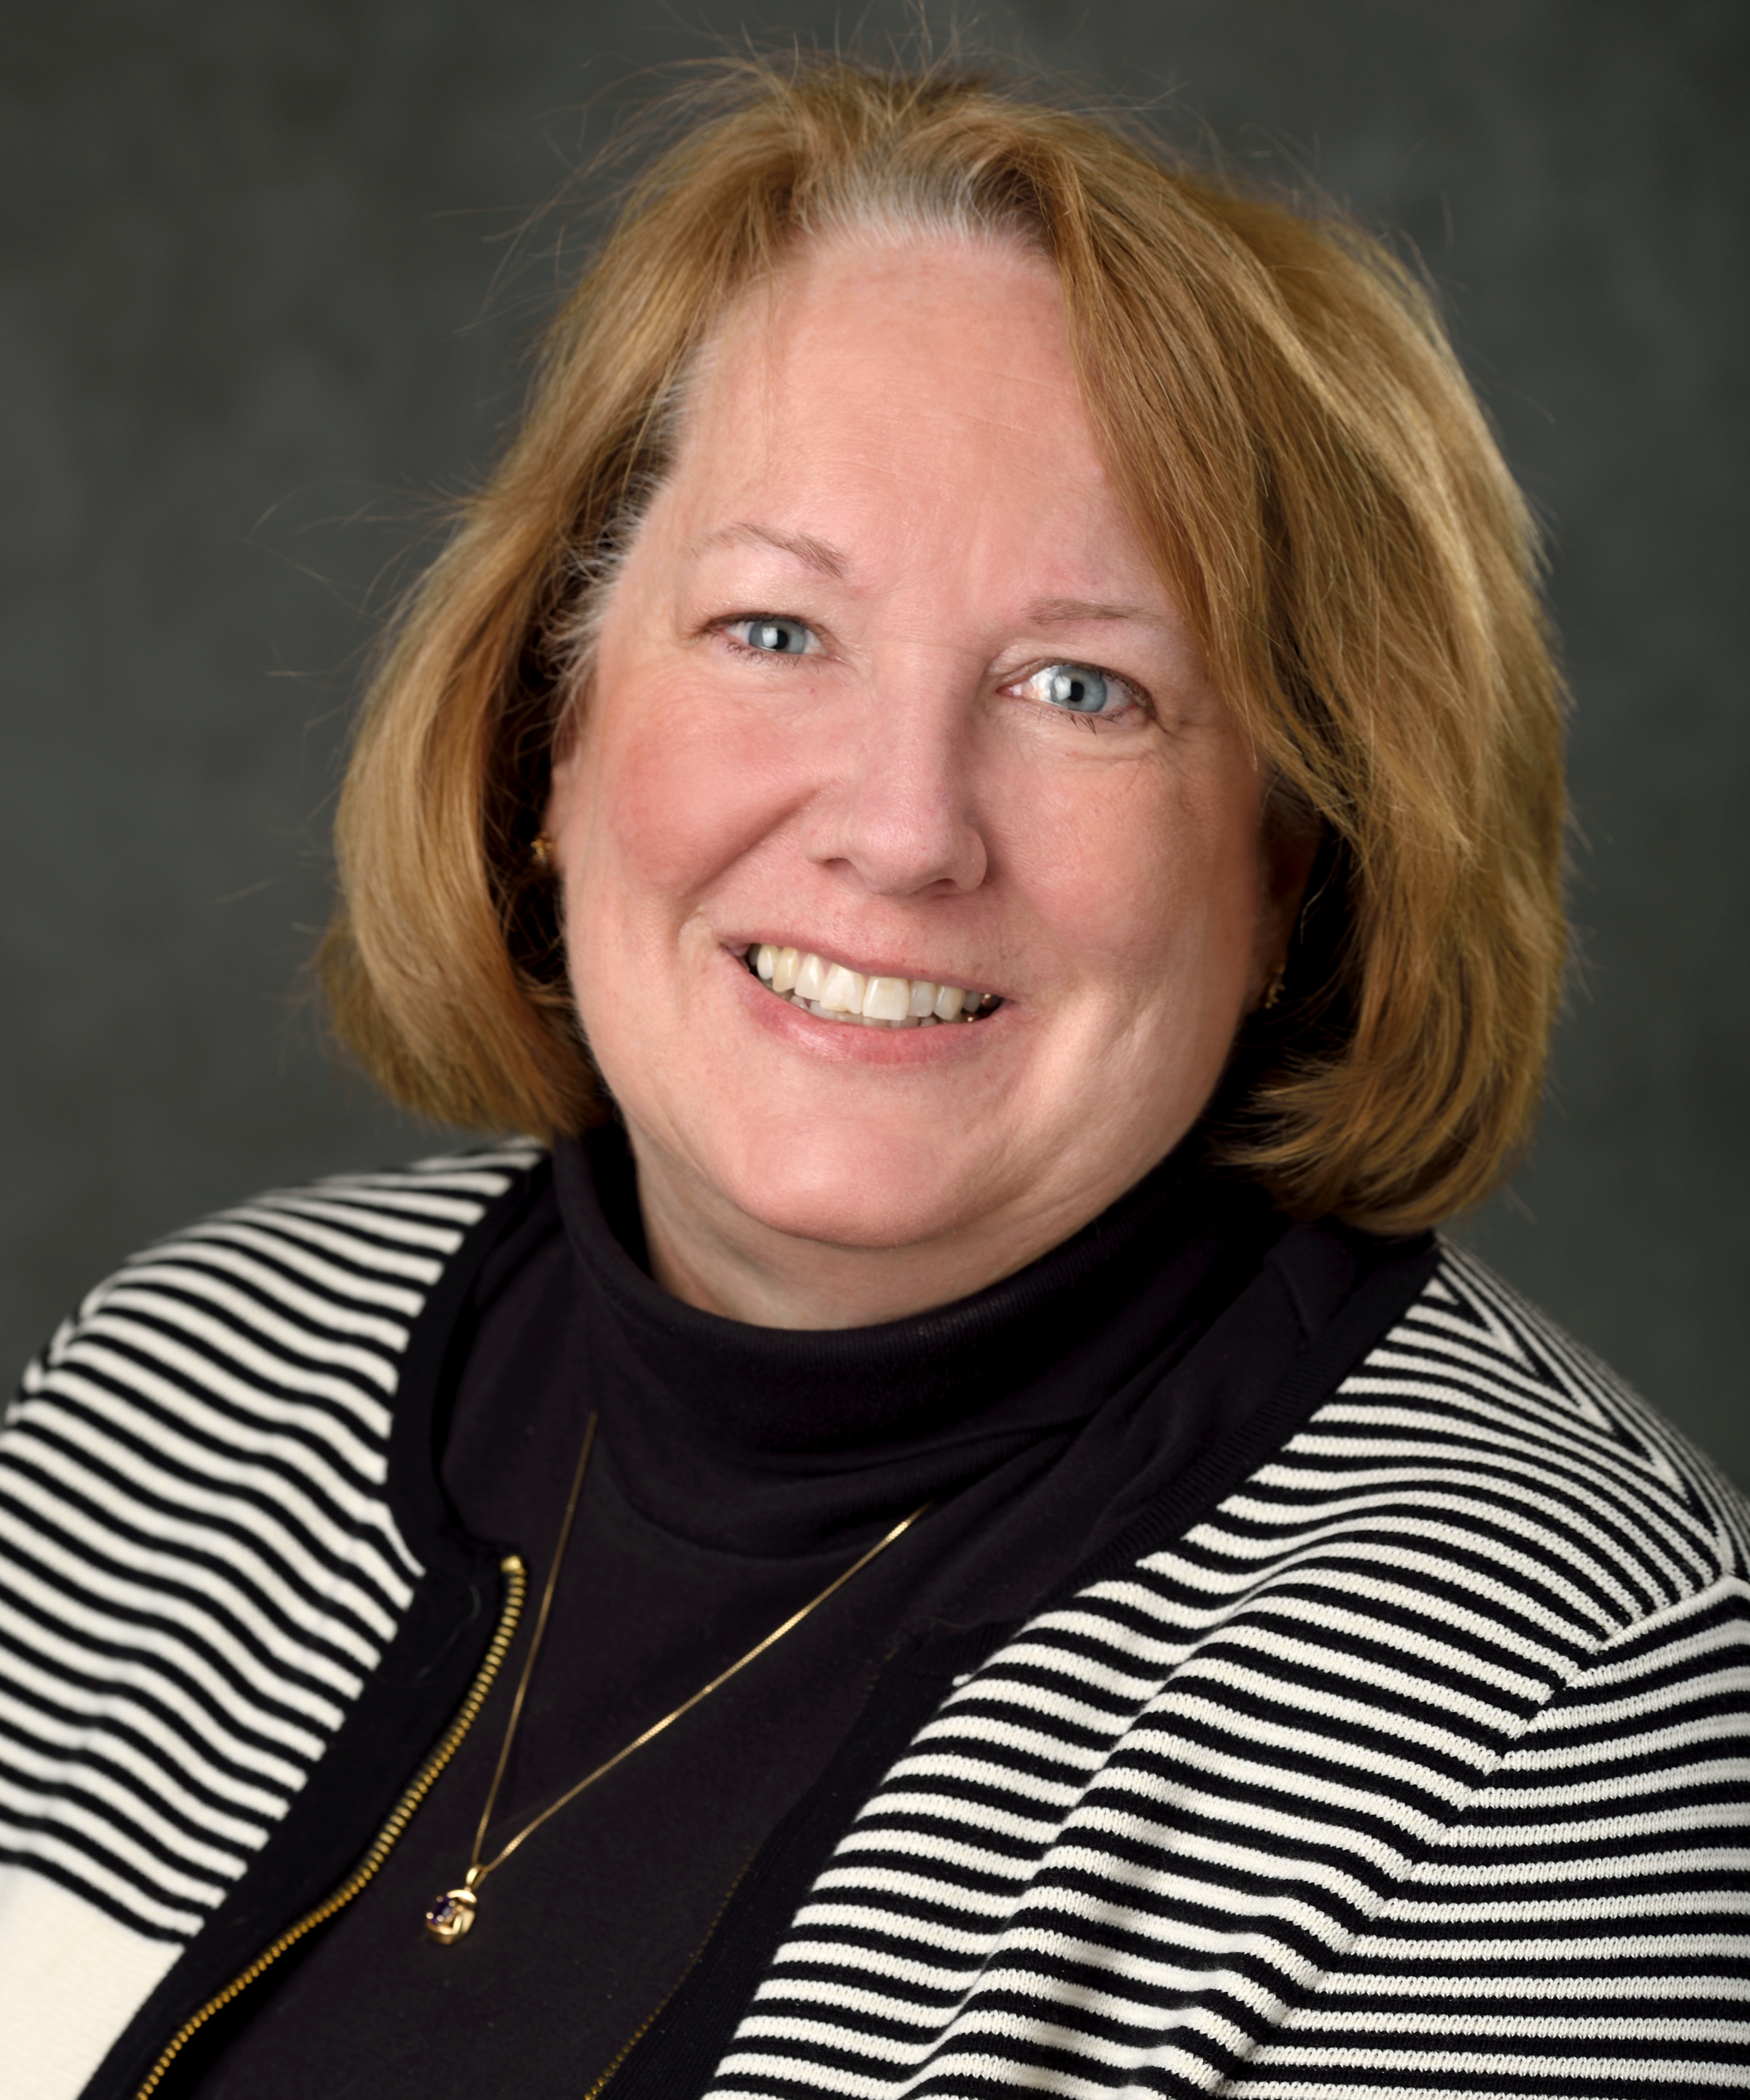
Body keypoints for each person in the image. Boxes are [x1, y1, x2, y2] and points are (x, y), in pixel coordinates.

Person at [3, 53, 1746, 2100]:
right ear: (547, 726)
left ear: (1295, 865)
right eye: (772, 631)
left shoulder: (1555, 1715)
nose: (905, 829)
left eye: (1085, 687)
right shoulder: (169, 1396)